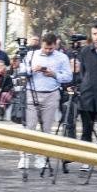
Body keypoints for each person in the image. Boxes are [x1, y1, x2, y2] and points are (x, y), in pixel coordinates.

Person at [14, 33, 72, 169]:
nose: (48, 50)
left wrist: (54, 74)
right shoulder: (31, 55)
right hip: (32, 92)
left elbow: (68, 77)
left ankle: (42, 157)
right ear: (42, 44)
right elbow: (22, 71)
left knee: (46, 129)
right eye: (46, 48)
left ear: (55, 45)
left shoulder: (62, 57)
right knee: (30, 127)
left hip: (52, 94)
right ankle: (25, 156)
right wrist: (32, 70)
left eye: (51, 48)